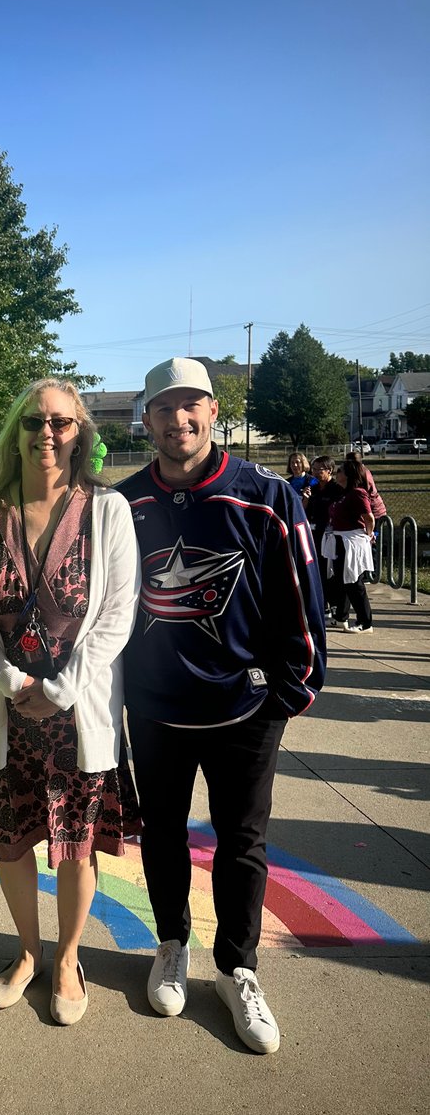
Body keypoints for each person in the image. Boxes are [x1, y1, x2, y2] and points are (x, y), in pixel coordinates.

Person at [116, 357, 325, 1055]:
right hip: (155, 712)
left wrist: (291, 690)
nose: (179, 419)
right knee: (164, 833)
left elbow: (303, 596)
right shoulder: (122, 504)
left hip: (244, 709)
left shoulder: (265, 496)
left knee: (242, 844)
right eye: (164, 408)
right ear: (144, 420)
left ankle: (238, 967)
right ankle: (171, 944)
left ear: (213, 411)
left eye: (191, 406)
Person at [0, 378, 140, 1026]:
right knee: (10, 844)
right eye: (33, 423)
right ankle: (27, 952)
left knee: (76, 847)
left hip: (78, 715)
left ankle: (67, 958)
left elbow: (118, 616)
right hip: (7, 713)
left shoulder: (108, 511)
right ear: (16, 433)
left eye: (61, 423)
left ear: (81, 431)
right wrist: (14, 684)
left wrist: (56, 690)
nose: (47, 434)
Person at [324, 455, 375, 634]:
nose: (337, 474)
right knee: (341, 580)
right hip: (338, 539)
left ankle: (365, 622)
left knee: (354, 582)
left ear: (349, 475)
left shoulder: (358, 493)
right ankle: (341, 618)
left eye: (340, 471)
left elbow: (369, 518)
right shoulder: (343, 493)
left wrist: (368, 536)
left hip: (352, 542)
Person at [305, 455, 344, 617]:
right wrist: (305, 499)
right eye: (313, 469)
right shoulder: (312, 488)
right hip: (314, 532)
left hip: (330, 534)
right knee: (317, 569)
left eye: (319, 469)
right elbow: (305, 511)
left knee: (331, 571)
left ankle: (334, 603)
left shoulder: (336, 489)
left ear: (329, 471)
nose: (315, 472)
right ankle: (322, 604)